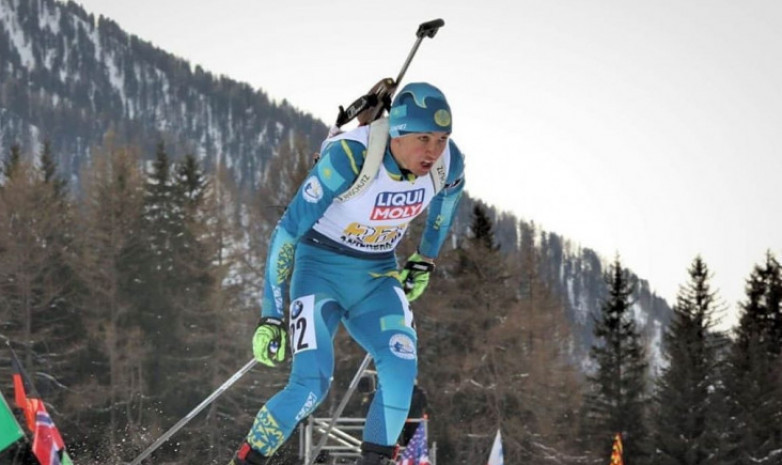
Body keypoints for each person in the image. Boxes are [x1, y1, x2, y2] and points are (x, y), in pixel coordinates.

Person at [228, 81, 466, 465]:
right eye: (424, 138)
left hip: (376, 277)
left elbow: (447, 204)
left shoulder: (448, 162)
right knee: (311, 384)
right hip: (318, 271)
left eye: (441, 138)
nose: (433, 150)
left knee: (402, 367)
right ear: (398, 133)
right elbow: (287, 231)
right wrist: (270, 315)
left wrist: (425, 258)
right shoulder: (350, 157)